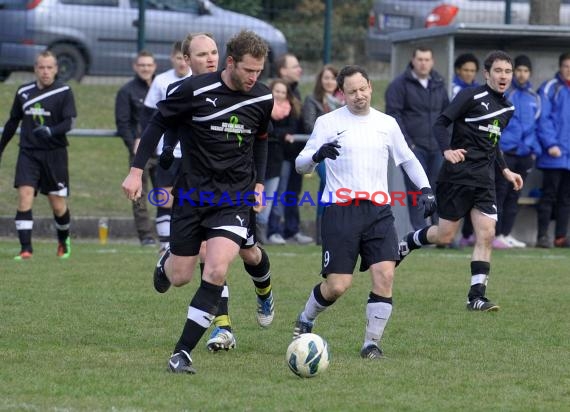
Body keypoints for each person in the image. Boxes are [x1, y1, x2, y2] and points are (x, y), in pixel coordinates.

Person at [122, 30, 273, 374]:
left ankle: (182, 352)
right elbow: (157, 125)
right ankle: (167, 261)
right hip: (192, 196)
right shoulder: (191, 91)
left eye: (259, 72)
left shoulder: (262, 99)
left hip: (234, 198)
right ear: (233, 63)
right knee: (180, 278)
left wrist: (260, 183)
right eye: (249, 70)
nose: (254, 78)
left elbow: (262, 140)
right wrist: (135, 171)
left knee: (218, 268)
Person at [292, 65, 436, 359]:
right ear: (341, 93)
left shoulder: (386, 123)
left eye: (363, 89)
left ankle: (371, 343)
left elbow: (408, 159)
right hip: (339, 211)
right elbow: (300, 163)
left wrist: (425, 189)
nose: (359, 96)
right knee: (337, 286)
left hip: (379, 211)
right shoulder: (327, 122)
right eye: (352, 91)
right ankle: (306, 318)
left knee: (385, 275)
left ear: (370, 87)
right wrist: (316, 155)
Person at [399, 50, 524, 312]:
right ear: (487, 74)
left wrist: (505, 171)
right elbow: (440, 124)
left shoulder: (508, 108)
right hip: (457, 176)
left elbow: (493, 143)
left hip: (485, 180)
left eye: (508, 71)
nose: (504, 76)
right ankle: (409, 242)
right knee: (444, 235)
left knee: (487, 235)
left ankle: (476, 296)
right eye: (498, 71)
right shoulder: (470, 96)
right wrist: (446, 150)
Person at [0, 51, 76, 260]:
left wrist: (51, 131)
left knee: (57, 204)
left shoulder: (64, 91)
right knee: (24, 196)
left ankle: (63, 240)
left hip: (55, 154)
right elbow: (13, 121)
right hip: (28, 153)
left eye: (49, 67)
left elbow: (69, 122)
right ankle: (26, 249)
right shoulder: (23, 92)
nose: (45, 72)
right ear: (35, 69)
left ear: (56, 69)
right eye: (41, 67)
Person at [385, 46, 449, 231]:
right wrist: (407, 143)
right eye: (420, 59)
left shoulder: (438, 83)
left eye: (427, 59)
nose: (423, 63)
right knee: (417, 189)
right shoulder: (399, 85)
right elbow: (394, 115)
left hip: (437, 147)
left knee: (438, 187)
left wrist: (446, 141)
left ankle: (439, 231)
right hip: (413, 147)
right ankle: (421, 231)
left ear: (432, 62)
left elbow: (447, 113)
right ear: (413, 60)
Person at [140, 41, 191, 254]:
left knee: (187, 200)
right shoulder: (161, 81)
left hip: (191, 152)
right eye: (177, 57)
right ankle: (165, 245)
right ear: (172, 58)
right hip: (167, 151)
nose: (181, 62)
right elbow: (148, 115)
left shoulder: (197, 81)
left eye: (184, 58)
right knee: (165, 198)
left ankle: (183, 242)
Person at [494, 55, 541, 249]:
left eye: (525, 71)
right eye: (518, 70)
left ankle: (506, 233)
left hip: (525, 155)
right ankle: (495, 234)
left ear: (530, 73)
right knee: (501, 194)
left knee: (515, 195)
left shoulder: (534, 97)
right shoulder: (505, 94)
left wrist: (534, 150)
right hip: (506, 153)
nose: (522, 74)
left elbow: (538, 125)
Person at [267, 53, 313, 244]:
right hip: (280, 154)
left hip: (296, 153)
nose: (299, 70)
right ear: (282, 71)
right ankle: (273, 229)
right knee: (278, 193)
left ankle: (292, 230)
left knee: (293, 192)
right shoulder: (272, 95)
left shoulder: (297, 93)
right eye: (294, 66)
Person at [115, 51, 158, 247]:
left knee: (169, 194)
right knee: (138, 196)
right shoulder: (126, 91)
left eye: (149, 65)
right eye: (142, 65)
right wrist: (133, 143)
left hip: (164, 151)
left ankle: (171, 234)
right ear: (135, 67)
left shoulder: (162, 87)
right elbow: (122, 123)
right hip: (140, 153)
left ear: (154, 66)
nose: (145, 68)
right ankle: (146, 236)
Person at [302, 64, 345, 245]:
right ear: (320, 80)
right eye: (326, 77)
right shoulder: (312, 100)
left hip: (342, 154)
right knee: (330, 186)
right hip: (321, 154)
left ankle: (329, 232)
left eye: (333, 78)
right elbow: (309, 125)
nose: (329, 81)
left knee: (326, 191)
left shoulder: (345, 101)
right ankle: (322, 233)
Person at [257, 78, 301, 245]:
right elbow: (266, 129)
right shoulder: (263, 107)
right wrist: (281, 135)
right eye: (277, 91)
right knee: (255, 195)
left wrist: (277, 134)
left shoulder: (291, 110)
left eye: (283, 92)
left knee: (270, 196)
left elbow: (290, 129)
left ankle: (263, 231)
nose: (280, 94)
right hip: (260, 157)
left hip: (277, 160)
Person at [535, 52, 570, 248]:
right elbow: (543, 119)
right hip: (553, 154)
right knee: (548, 195)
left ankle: (560, 237)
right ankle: (542, 236)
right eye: (566, 66)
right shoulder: (550, 88)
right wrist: (551, 145)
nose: (569, 70)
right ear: (560, 67)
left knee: (566, 198)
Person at [452, 53, 480, 248]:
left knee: (474, 193)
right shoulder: (453, 90)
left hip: (475, 151)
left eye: (472, 71)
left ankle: (467, 235)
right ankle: (451, 235)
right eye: (466, 70)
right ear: (458, 71)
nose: (469, 74)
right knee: (456, 193)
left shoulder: (479, 92)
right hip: (456, 150)